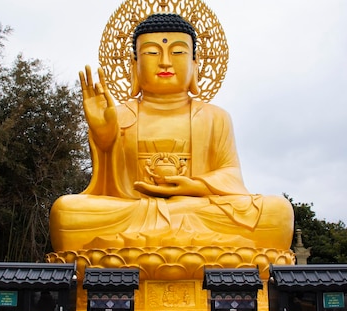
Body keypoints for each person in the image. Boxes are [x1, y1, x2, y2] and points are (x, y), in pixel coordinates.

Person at [50, 13, 294, 252]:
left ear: (194, 66)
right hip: (132, 209)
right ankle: (183, 237)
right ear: (134, 66)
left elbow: (231, 175)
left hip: (196, 207)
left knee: (278, 211)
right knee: (65, 212)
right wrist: (104, 137)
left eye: (178, 52)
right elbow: (107, 189)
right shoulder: (119, 115)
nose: (165, 61)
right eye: (151, 53)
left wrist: (193, 186)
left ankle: (151, 236)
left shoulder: (215, 117)